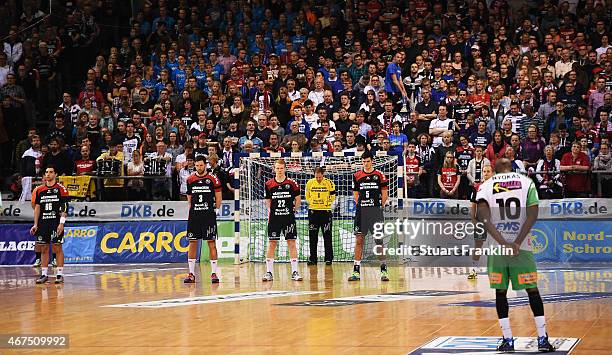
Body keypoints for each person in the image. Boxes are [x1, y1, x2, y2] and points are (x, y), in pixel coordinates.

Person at [476, 158, 556, 352]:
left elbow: (483, 218)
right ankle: (542, 339)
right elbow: (533, 214)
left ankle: (508, 340)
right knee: (532, 291)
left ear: (494, 171)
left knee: (500, 292)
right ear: (511, 168)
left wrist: (503, 243)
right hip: (523, 247)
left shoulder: (486, 185)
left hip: (497, 248)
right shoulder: (526, 182)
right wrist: (517, 242)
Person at [349, 151, 389, 282]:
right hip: (361, 213)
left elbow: (384, 194)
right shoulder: (357, 175)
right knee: (359, 241)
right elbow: (355, 193)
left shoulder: (379, 175)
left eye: (368, 161)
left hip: (375, 212)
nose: (365, 163)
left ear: (372, 161)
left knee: (379, 241)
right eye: (363, 161)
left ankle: (384, 270)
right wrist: (361, 206)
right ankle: (356, 271)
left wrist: (379, 207)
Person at [183, 156, 222, 284]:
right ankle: (191, 274)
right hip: (194, 216)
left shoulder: (213, 179)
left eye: (201, 165)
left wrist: (216, 209)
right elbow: (189, 197)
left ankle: (214, 273)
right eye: (197, 165)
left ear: (205, 165)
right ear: (194, 165)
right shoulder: (190, 179)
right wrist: (192, 210)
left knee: (211, 242)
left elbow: (218, 196)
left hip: (208, 215)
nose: (199, 168)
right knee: (192, 242)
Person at [263, 159, 302, 282]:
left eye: (281, 168)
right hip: (274, 218)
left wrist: (293, 210)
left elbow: (298, 199)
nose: (279, 170)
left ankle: (295, 272)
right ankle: (269, 272)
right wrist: (272, 211)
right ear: (274, 169)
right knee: (272, 243)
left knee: (291, 243)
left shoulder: (292, 183)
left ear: (285, 169)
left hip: (288, 218)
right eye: (277, 168)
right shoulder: (269, 184)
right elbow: (268, 200)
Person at [31, 165, 69, 284]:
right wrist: (35, 224)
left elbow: (65, 208)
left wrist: (61, 224)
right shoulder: (39, 190)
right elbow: (37, 207)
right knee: (44, 248)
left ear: (55, 174)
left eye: (51, 172)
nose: (48, 174)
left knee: (57, 247)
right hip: (43, 223)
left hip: (55, 223)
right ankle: (44, 274)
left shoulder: (61, 189)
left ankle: (59, 274)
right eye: (46, 172)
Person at [305, 166, 336, 265]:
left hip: (325, 212)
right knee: (313, 236)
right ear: (314, 175)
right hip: (313, 212)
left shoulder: (329, 183)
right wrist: (312, 202)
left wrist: (326, 202)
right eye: (316, 177)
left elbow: (333, 196)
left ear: (323, 175)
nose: (318, 179)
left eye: (320, 177)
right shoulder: (310, 183)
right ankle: (313, 259)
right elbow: (307, 195)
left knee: (327, 235)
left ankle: (328, 259)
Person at [467, 163, 493, 280]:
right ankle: (474, 270)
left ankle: (497, 270)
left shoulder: (497, 188)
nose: (486, 173)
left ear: (492, 173)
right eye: (484, 171)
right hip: (481, 220)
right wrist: (473, 219)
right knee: (478, 244)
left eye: (488, 171)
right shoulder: (477, 187)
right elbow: (473, 205)